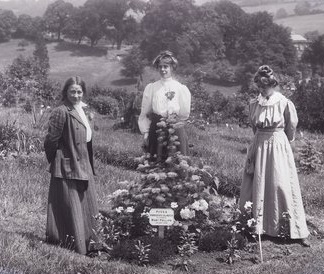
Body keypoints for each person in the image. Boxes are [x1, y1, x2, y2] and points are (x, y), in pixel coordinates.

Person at [239, 65, 310, 246]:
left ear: (273, 84)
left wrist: (284, 142)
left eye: (265, 86)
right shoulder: (255, 103)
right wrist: (259, 141)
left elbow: (291, 127)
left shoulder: (284, 102)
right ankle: (257, 227)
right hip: (259, 144)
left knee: (280, 183)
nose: (262, 90)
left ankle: (289, 228)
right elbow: (254, 126)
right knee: (258, 183)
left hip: (278, 144)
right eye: (259, 86)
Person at [44, 76, 99, 255]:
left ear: (83, 93)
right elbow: (51, 140)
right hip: (68, 165)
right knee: (71, 205)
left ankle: (91, 244)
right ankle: (71, 243)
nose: (76, 95)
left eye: (79, 92)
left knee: (88, 204)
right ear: (66, 92)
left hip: (84, 163)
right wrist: (58, 160)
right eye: (72, 91)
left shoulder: (84, 110)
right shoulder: (61, 111)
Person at [138, 50, 191, 160]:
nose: (162, 70)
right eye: (160, 67)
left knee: (177, 161)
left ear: (172, 67)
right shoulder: (152, 88)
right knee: (156, 160)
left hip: (175, 128)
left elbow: (184, 113)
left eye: (166, 66)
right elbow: (145, 112)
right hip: (157, 128)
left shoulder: (179, 88)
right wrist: (146, 132)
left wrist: (175, 123)